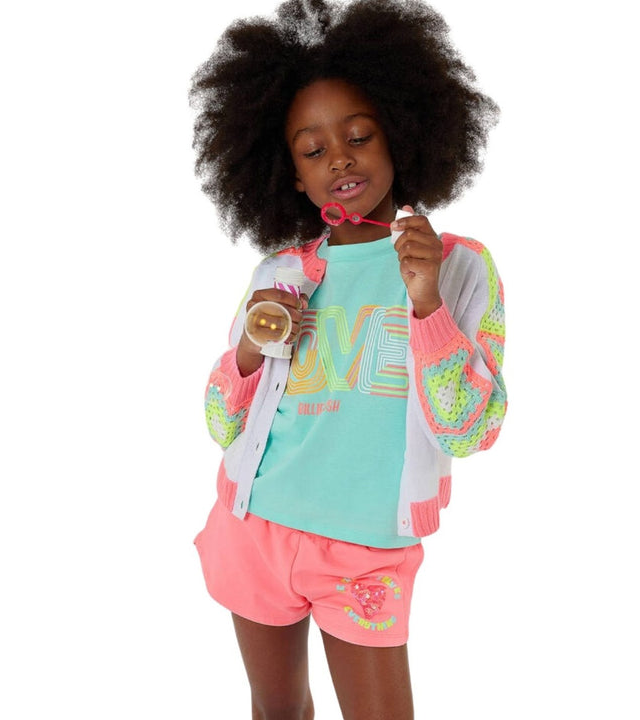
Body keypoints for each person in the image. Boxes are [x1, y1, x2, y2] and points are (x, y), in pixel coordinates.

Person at [191, 1, 506, 717]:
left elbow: (470, 430)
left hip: (365, 549)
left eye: (359, 135)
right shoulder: (281, 272)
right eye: (313, 150)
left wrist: (426, 304)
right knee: (277, 710)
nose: (339, 156)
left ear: (400, 133)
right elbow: (221, 423)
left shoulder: (460, 267)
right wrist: (251, 347)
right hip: (256, 525)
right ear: (292, 178)